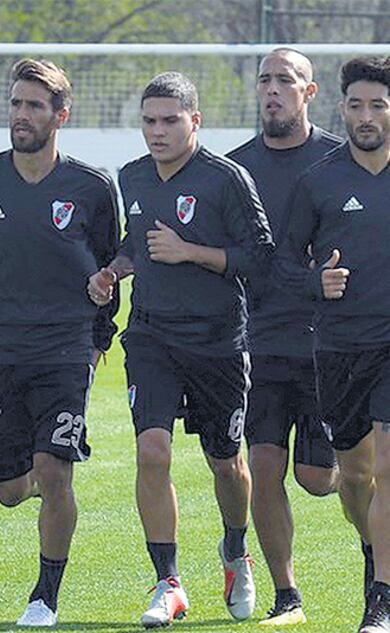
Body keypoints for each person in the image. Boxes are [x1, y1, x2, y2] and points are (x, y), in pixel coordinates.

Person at [0, 58, 120, 628]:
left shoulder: (90, 186)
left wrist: (100, 336)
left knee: (55, 471)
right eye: (16, 104)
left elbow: (112, 264)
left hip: (65, 347)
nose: (21, 115)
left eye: (34, 105)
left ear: (61, 115)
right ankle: (42, 485)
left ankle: (45, 595)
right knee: (12, 490)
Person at [88, 72, 274, 628]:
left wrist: (190, 252)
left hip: (218, 340)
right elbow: (136, 242)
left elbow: (261, 259)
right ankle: (167, 582)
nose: (158, 131)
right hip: (151, 336)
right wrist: (114, 271)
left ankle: (236, 552)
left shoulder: (227, 179)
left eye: (170, 120)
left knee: (226, 463)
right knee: (152, 452)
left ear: (196, 120)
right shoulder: (134, 176)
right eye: (149, 121)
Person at [225, 48, 342, 626]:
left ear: (309, 91)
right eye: (265, 81)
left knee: (318, 480)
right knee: (264, 465)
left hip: (329, 345)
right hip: (257, 344)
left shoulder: (341, 162)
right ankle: (286, 594)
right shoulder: (234, 169)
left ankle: (376, 561)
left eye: (285, 81)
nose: (273, 90)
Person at [275, 56, 390, 633]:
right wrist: (315, 282)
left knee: (389, 471)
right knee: (356, 479)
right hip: (342, 348)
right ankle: (375, 554)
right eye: (355, 105)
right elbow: (284, 262)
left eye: (377, 105)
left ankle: (381, 601)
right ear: (340, 108)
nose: (365, 116)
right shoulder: (317, 181)